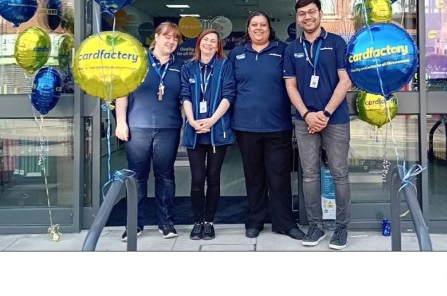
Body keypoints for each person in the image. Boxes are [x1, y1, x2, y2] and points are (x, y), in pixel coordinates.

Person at [284, 0, 352, 249]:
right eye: (302, 14)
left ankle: (341, 227)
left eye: (311, 12)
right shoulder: (292, 48)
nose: (307, 17)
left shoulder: (335, 43)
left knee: (340, 174)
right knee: (310, 175)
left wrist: (324, 114)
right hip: (304, 121)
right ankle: (315, 226)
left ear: (320, 14)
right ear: (298, 18)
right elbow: (290, 85)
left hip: (335, 119)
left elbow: (345, 81)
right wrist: (306, 114)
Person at [230, 12, 304, 240]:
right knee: (253, 176)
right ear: (248, 28)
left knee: (279, 176)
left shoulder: (283, 50)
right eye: (254, 25)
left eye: (263, 25)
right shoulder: (237, 53)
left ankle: (284, 223)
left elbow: (294, 82)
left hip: (277, 125)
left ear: (270, 28)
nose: (259, 28)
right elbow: (228, 89)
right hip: (245, 126)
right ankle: (255, 221)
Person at [114, 22, 183, 241]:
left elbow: (186, 98)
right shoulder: (137, 62)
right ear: (156, 37)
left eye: (175, 38)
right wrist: (121, 122)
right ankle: (134, 224)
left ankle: (166, 223)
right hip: (137, 128)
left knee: (165, 176)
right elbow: (121, 93)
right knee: (137, 177)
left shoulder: (180, 66)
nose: (171, 41)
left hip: (168, 128)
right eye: (167, 37)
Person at [180, 29, 236, 241]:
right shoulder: (188, 67)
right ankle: (197, 222)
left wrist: (212, 120)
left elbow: (229, 94)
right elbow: (185, 95)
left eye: (214, 41)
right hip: (195, 132)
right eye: (206, 40)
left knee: (213, 179)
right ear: (199, 43)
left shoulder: (225, 66)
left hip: (217, 131)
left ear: (218, 46)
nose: (210, 44)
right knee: (197, 179)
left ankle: (209, 222)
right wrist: (193, 121)